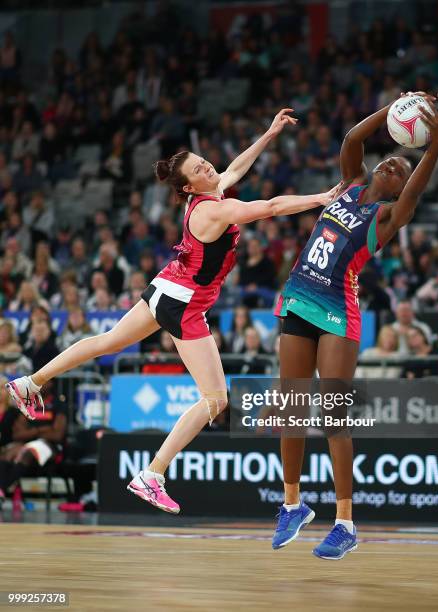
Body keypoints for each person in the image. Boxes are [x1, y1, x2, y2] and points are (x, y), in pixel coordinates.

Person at [6, 109, 340, 513]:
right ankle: (152, 474)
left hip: (165, 286)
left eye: (204, 161)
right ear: (188, 185)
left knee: (106, 342)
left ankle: (31, 382)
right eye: (200, 167)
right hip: (184, 304)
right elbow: (268, 207)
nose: (209, 165)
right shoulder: (212, 211)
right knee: (215, 400)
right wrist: (321, 199)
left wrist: (268, 134)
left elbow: (234, 169)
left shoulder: (210, 193)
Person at [271, 92, 438, 560]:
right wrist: (390, 112)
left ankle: (345, 522)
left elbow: (416, 188)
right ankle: (292, 504)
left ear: (398, 190)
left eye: (398, 170)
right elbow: (353, 138)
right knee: (289, 406)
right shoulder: (349, 184)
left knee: (331, 417)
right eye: (388, 161)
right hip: (299, 298)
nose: (390, 167)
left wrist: (435, 145)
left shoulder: (388, 216)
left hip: (337, 310)